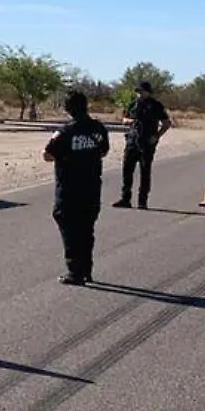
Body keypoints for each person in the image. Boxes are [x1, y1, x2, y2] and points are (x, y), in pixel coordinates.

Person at [44, 90, 110, 285]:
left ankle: (75, 271)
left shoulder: (65, 131)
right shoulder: (99, 129)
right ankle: (86, 269)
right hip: (91, 186)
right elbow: (104, 151)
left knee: (70, 228)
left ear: (67, 109)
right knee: (86, 229)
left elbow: (48, 154)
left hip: (69, 189)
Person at [115, 80, 171, 209]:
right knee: (127, 170)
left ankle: (142, 201)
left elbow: (166, 123)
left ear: (148, 92)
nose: (139, 94)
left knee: (145, 171)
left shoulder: (156, 105)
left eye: (142, 91)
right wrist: (129, 121)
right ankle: (125, 199)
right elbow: (124, 119)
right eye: (138, 92)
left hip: (147, 142)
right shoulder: (133, 105)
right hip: (132, 141)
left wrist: (157, 136)